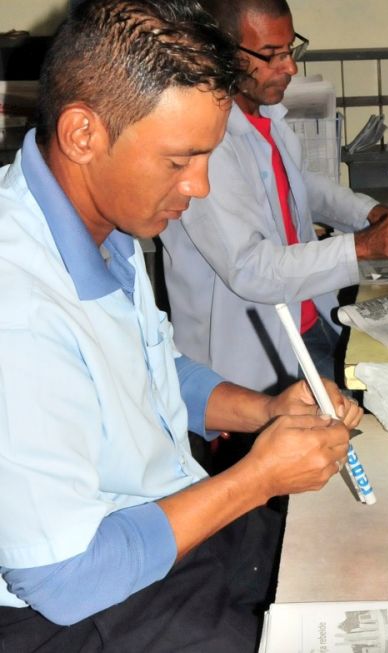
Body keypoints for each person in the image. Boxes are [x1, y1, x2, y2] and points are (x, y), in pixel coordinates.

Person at [0, 1, 362, 651]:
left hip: (159, 525)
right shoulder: (17, 307)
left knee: (347, 568)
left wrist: (267, 409)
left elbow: (153, 368)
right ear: (84, 134)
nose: (197, 186)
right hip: (78, 604)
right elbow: (63, 577)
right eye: (178, 160)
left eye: (207, 157)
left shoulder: (101, 221)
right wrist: (258, 476)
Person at [158, 0, 388, 393]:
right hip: (251, 364)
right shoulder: (208, 146)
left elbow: (297, 183)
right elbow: (251, 268)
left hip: (308, 319)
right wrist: (360, 248)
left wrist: (372, 215)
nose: (290, 67)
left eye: (290, 49)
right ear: (219, 53)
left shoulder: (264, 116)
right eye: (271, 55)